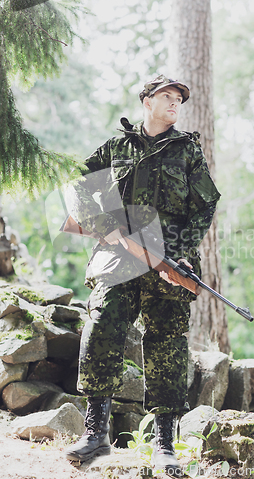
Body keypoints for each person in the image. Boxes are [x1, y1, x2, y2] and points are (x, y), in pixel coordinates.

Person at [64, 75, 221, 474]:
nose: (174, 103)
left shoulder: (187, 152)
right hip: (118, 256)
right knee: (101, 327)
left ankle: (164, 444)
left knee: (167, 346)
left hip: (169, 261)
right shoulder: (117, 146)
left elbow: (206, 206)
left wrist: (181, 253)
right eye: (166, 96)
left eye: (179, 99)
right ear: (147, 101)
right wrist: (103, 225)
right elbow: (77, 185)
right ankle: (95, 433)